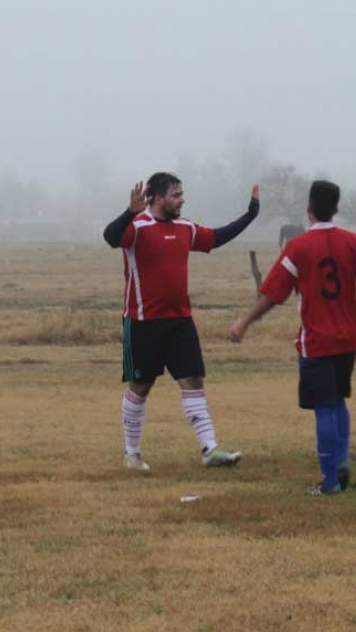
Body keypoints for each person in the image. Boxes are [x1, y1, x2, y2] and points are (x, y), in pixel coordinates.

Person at [230, 180, 356, 496]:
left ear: (308, 208)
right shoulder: (353, 242)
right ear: (336, 209)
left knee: (323, 406)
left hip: (317, 340)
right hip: (349, 338)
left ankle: (330, 481)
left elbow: (272, 295)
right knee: (338, 399)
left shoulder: (297, 247)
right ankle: (339, 462)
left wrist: (244, 322)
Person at [103, 172, 260, 472]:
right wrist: (129, 212)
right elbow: (110, 238)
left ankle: (209, 449)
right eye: (176, 195)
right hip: (142, 323)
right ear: (157, 197)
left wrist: (250, 215)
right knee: (141, 386)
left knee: (193, 380)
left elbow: (217, 237)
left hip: (180, 322)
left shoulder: (185, 227)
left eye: (181, 194)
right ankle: (132, 454)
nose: (182, 199)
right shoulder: (137, 226)